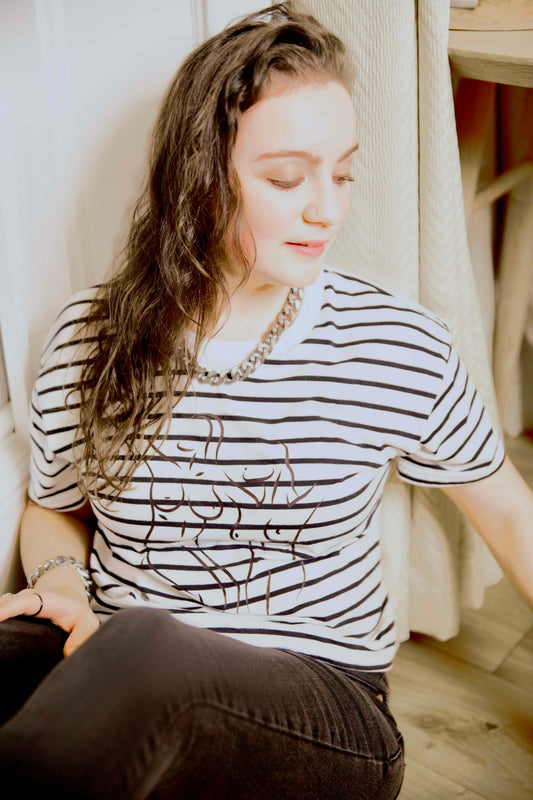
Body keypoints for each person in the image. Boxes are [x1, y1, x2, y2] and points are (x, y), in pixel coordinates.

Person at [0, 3, 532, 797]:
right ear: (198, 176)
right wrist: (62, 586)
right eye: (287, 178)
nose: (328, 209)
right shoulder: (88, 336)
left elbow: (510, 515)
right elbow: (56, 504)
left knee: (145, 649)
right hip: (108, 657)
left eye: (341, 173)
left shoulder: (393, 343)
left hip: (319, 699)